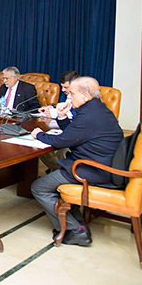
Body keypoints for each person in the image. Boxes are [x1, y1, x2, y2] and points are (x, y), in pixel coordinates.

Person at [30, 77, 124, 246]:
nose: (69, 97)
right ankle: (76, 222)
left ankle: (75, 230)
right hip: (101, 165)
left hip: (92, 169)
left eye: (72, 93)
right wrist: (62, 116)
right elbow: (75, 134)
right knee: (56, 184)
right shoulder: (98, 109)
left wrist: (38, 134)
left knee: (38, 187)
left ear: (86, 95)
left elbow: (62, 141)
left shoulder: (88, 116)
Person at [39, 70, 80, 171]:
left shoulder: (82, 97)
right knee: (42, 149)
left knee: (60, 150)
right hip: (62, 129)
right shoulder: (66, 94)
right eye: (62, 86)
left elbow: (76, 115)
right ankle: (59, 170)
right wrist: (51, 109)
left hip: (77, 134)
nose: (63, 90)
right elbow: (62, 108)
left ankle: (62, 172)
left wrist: (55, 113)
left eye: (66, 87)